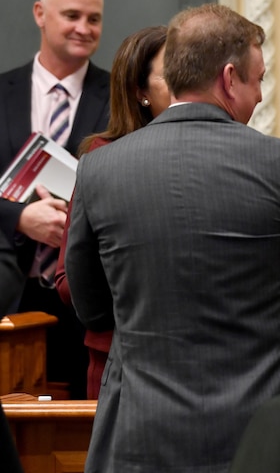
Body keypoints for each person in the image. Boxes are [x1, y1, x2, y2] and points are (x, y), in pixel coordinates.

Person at [65, 3, 280, 473]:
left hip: (140, 428)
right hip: (261, 429)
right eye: (258, 80)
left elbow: (91, 308)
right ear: (230, 79)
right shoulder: (279, 163)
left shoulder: (99, 167)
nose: (257, 95)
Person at [0, 0, 109, 398]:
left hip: (82, 296)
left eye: (94, 19)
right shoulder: (1, 92)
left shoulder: (119, 96)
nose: (84, 28)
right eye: (72, 15)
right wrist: (20, 217)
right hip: (9, 292)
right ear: (40, 14)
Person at [53, 25, 169, 400]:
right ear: (140, 92)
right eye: (172, 75)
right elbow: (67, 280)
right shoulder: (101, 159)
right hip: (118, 359)